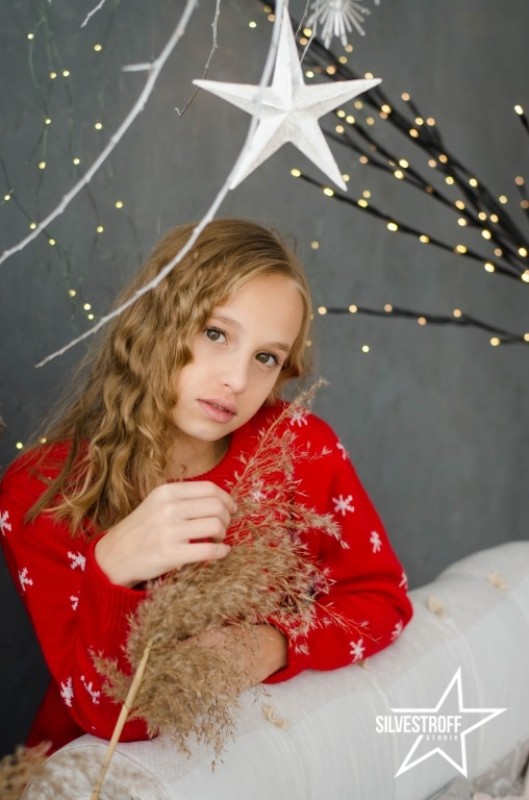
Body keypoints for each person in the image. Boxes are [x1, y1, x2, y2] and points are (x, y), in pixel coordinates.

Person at [0, 218, 412, 754]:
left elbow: (383, 601)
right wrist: (112, 569)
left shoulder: (299, 448)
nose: (237, 381)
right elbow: (113, 719)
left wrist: (270, 644)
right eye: (215, 333)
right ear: (156, 321)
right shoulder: (44, 492)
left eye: (266, 358)